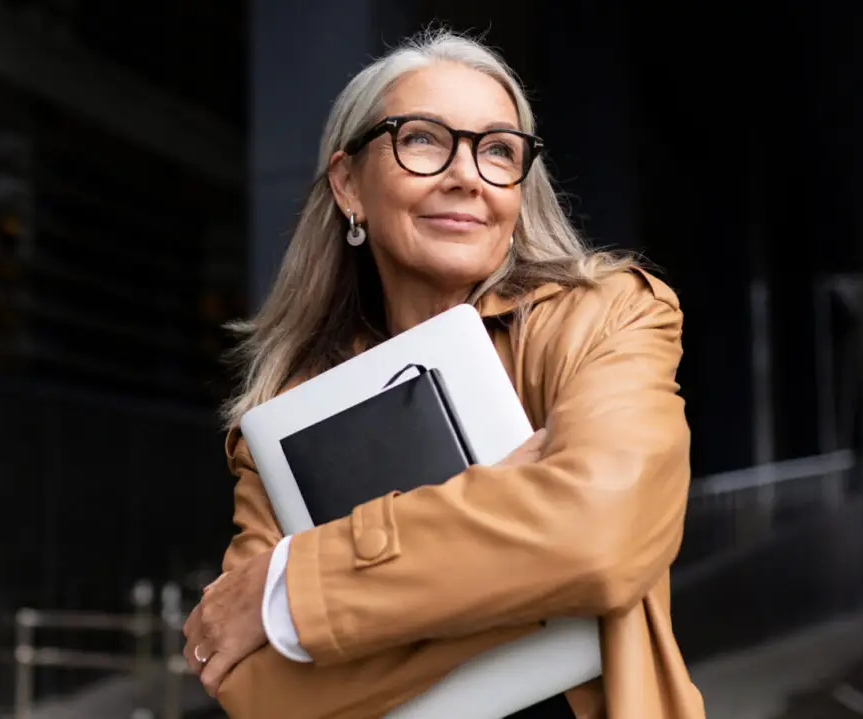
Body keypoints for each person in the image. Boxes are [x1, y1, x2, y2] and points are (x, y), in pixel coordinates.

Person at [182, 28, 704, 719]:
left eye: (497, 150)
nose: (466, 175)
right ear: (348, 184)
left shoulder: (607, 317)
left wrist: (292, 592)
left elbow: (601, 540)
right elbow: (259, 691)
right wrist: (529, 558)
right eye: (423, 139)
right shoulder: (286, 417)